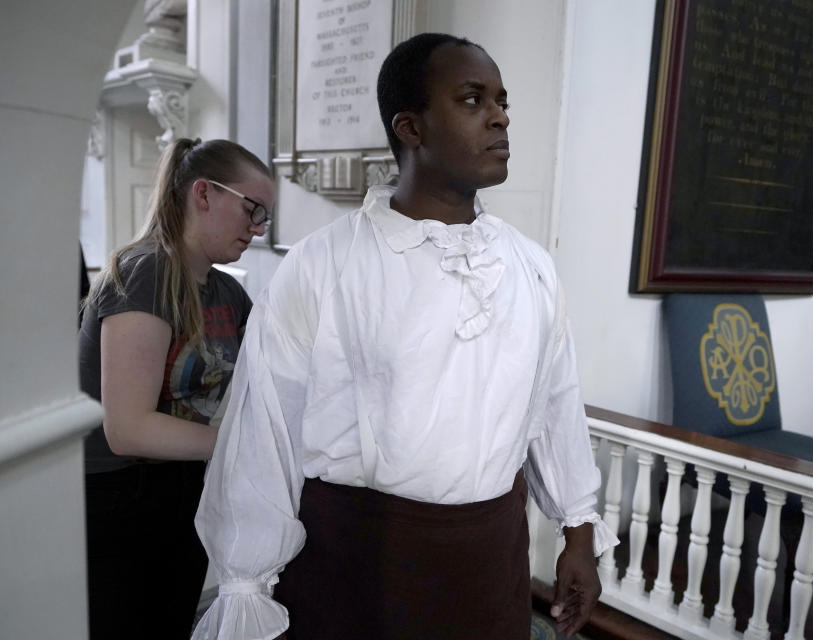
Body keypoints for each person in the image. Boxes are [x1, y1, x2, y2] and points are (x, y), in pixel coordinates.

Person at [191, 33, 617, 640]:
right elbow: (266, 435)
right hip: (357, 570)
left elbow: (554, 403)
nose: (499, 116)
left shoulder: (531, 267)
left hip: (488, 565)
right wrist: (245, 583)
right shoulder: (322, 266)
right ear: (410, 128)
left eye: (502, 101)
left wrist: (579, 531)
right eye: (472, 100)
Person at [79, 137, 275, 639]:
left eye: (264, 217)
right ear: (204, 194)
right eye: (252, 209)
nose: (257, 228)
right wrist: (245, 445)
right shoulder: (146, 273)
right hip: (119, 495)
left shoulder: (228, 291)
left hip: (184, 485)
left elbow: (270, 374)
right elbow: (128, 428)